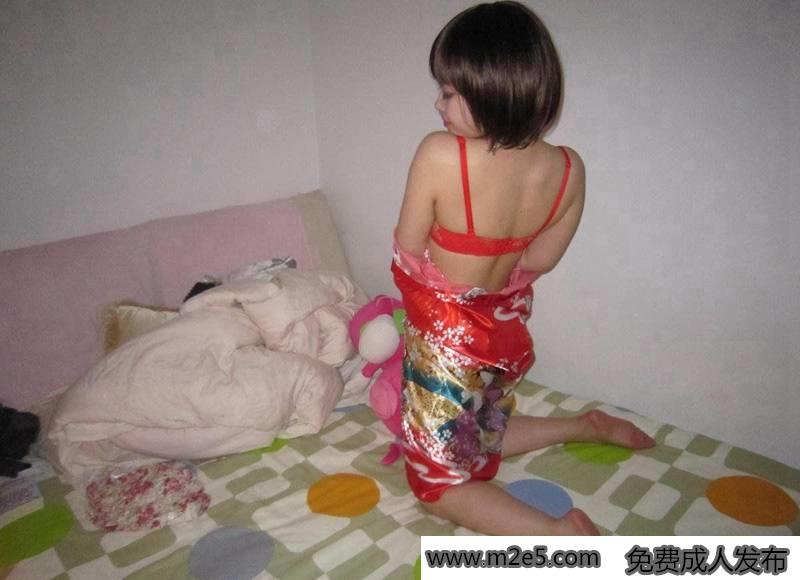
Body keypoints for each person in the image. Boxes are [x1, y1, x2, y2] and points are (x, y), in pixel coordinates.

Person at [391, 1, 655, 536]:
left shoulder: (440, 153)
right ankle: (584, 425)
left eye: (449, 91)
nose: (437, 102)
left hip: (448, 343)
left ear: (491, 88)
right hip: (503, 333)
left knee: (436, 484)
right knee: (477, 434)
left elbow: (408, 246)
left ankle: (558, 535)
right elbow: (540, 260)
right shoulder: (567, 167)